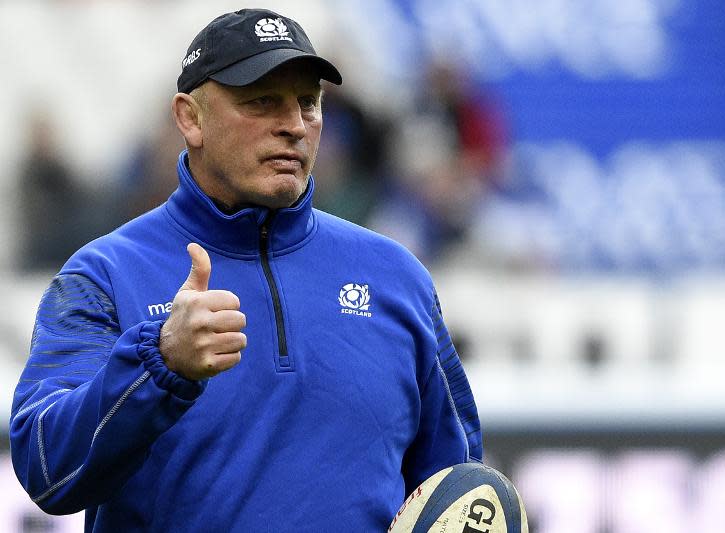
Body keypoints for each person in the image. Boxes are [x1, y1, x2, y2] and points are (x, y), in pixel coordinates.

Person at [9, 8, 482, 532]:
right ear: (190, 118)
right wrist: (160, 364)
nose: (294, 125)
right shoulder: (103, 275)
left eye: (308, 102)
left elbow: (457, 487)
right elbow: (46, 470)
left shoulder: (398, 278)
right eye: (262, 101)